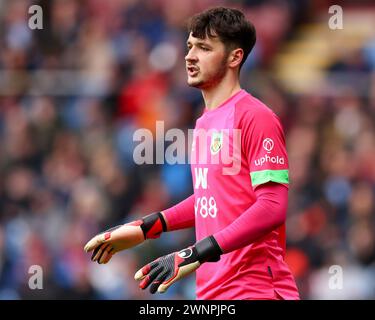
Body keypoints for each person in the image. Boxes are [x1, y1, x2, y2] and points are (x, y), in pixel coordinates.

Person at [84, 7, 300, 300]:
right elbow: (213, 199)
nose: (190, 56)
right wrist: (147, 226)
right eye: (189, 46)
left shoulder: (255, 117)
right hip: (212, 293)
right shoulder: (203, 123)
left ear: (235, 57)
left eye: (204, 48)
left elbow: (272, 206)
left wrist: (193, 253)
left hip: (256, 290)